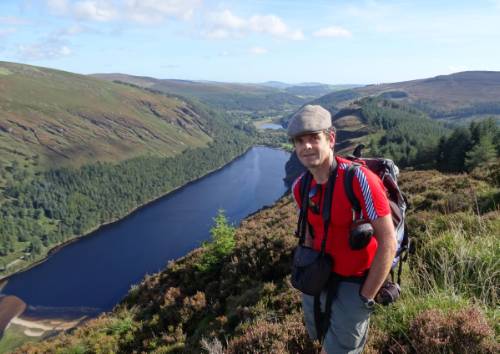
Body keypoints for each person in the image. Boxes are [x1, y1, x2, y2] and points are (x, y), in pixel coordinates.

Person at [289, 105, 397, 353]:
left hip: (355, 282)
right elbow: (308, 232)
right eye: (299, 141)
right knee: (318, 335)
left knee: (341, 349)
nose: (306, 147)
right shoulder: (301, 187)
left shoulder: (360, 181)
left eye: (314, 138)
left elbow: (388, 243)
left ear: (331, 138)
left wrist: (366, 297)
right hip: (318, 276)